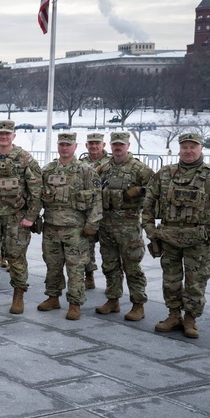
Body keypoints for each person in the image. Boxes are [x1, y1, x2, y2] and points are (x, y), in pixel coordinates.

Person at [142, 132, 210, 338]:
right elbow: (147, 204)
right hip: (169, 237)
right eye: (185, 147)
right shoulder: (165, 173)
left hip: (199, 238)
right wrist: (151, 231)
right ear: (179, 149)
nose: (189, 151)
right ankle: (174, 315)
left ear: (201, 148)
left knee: (196, 280)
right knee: (171, 279)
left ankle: (191, 319)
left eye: (193, 146)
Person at [0, 119, 42, 314]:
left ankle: (18, 295)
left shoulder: (25, 159)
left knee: (16, 256)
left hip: (16, 217)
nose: (3, 137)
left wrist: (31, 216)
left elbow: (37, 191)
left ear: (13, 136)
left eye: (7, 134)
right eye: (0, 133)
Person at [37, 132, 102, 320]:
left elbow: (97, 200)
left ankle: (75, 303)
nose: (65, 148)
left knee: (75, 268)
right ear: (58, 146)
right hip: (51, 227)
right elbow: (38, 198)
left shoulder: (86, 171)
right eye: (62, 144)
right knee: (52, 265)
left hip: (76, 229)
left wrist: (92, 225)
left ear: (75, 146)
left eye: (68, 145)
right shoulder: (48, 170)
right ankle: (52, 297)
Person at [94, 131, 154, 321]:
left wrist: (140, 190)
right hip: (107, 225)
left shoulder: (140, 169)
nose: (117, 148)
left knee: (132, 267)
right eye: (115, 144)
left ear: (128, 146)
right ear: (110, 146)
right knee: (110, 265)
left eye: (121, 144)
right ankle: (113, 300)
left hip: (129, 228)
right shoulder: (103, 169)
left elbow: (156, 191)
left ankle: (138, 305)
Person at [80, 132, 111, 290]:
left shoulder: (111, 162)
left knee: (108, 250)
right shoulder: (81, 163)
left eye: (97, 143)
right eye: (91, 143)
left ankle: (111, 284)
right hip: (89, 211)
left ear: (103, 145)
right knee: (87, 245)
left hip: (108, 213)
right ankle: (89, 276)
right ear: (86, 145)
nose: (94, 146)